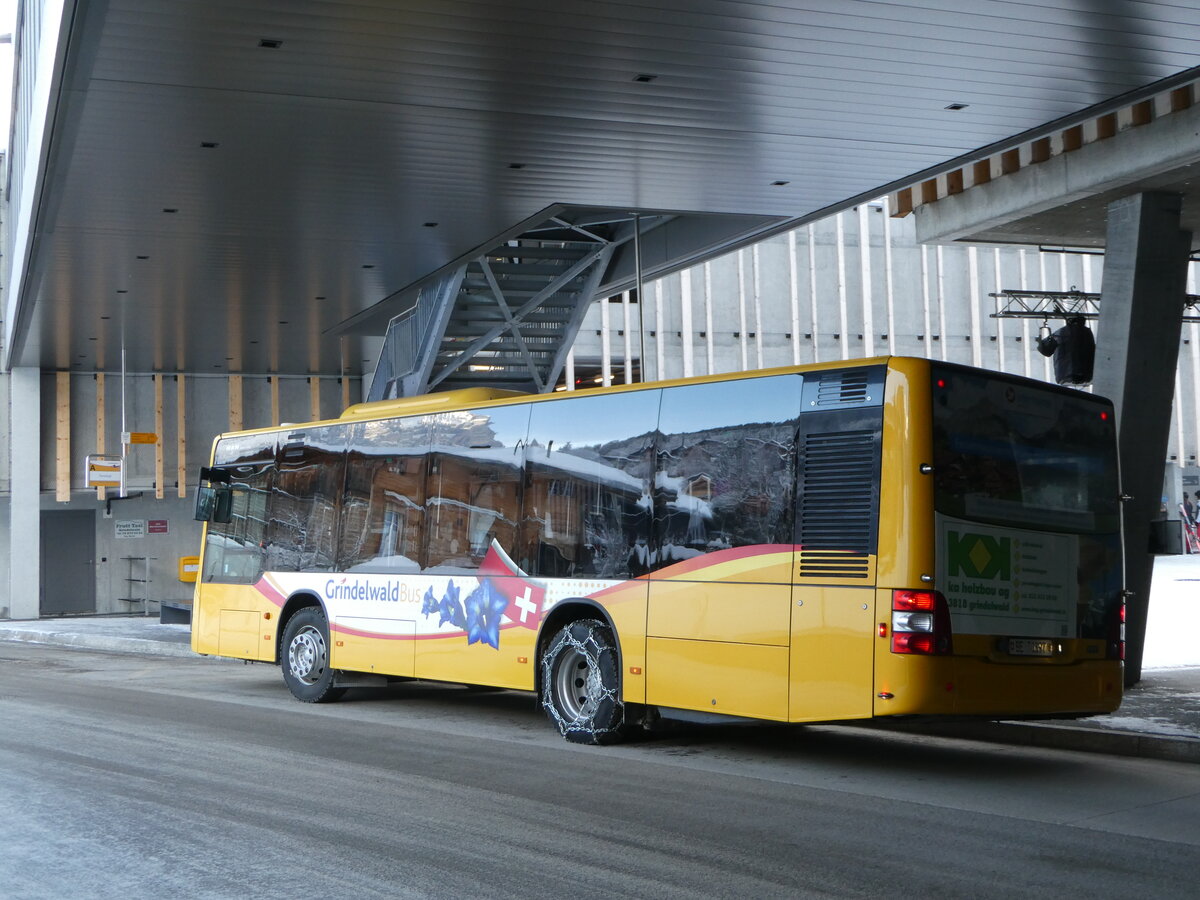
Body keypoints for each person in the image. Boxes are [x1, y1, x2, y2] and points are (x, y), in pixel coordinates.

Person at [1036, 316, 1095, 385]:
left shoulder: (1062, 332)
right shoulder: (1087, 332)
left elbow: (1046, 351)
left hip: (1065, 372)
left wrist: (1039, 341)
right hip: (1085, 372)